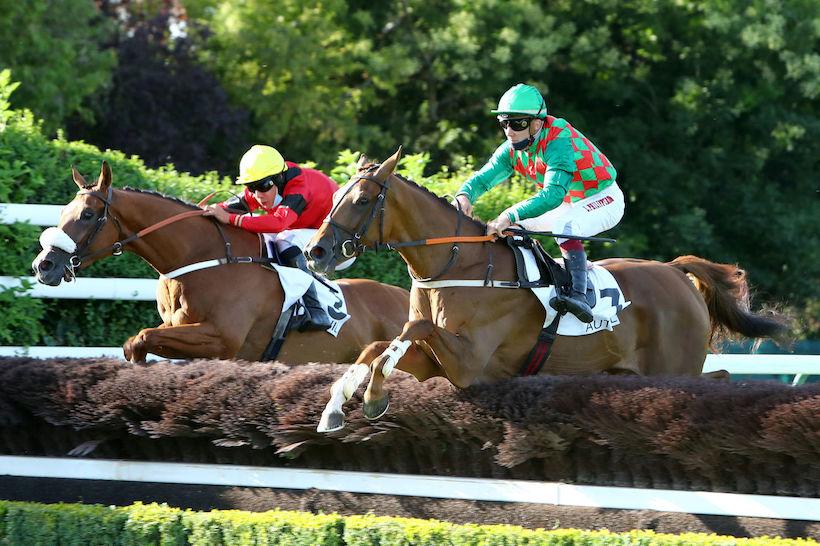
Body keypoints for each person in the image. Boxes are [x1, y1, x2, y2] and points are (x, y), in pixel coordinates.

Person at [453, 84, 625, 323]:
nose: (509, 132)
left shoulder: (559, 140)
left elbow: (553, 195)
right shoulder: (512, 149)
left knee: (563, 225)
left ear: (537, 123)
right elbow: (483, 178)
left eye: (517, 124)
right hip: (569, 202)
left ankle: (580, 295)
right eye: (504, 124)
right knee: (513, 227)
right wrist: (464, 196)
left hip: (603, 198)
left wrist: (509, 215)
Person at [203, 144, 338, 331]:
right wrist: (203, 211)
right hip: (309, 228)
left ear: (279, 178)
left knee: (284, 239)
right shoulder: (267, 184)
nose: (258, 195)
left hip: (334, 236)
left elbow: (278, 223)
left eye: (263, 186)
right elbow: (231, 206)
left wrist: (232, 219)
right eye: (251, 187)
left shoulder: (299, 187)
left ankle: (316, 312)